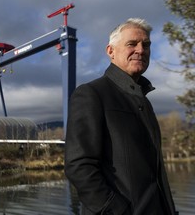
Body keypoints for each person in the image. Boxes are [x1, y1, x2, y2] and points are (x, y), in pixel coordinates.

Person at [64, 18, 178, 215]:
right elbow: (79, 166)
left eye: (146, 45)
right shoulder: (91, 94)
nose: (141, 50)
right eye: (132, 44)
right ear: (111, 51)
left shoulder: (145, 101)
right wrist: (116, 210)